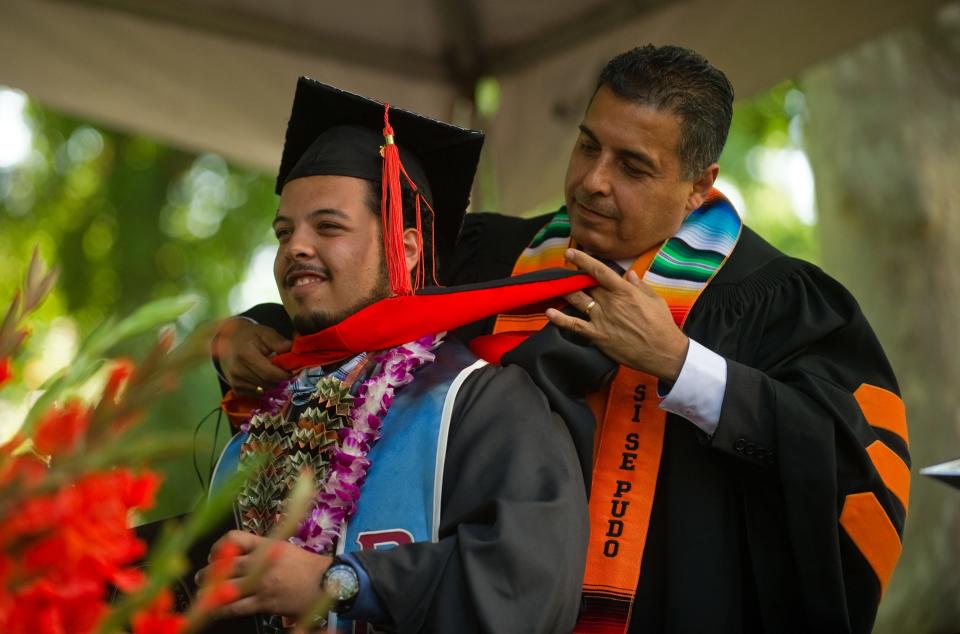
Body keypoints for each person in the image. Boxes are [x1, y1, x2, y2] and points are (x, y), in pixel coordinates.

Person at [216, 47, 909, 634]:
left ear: (699, 187)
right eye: (587, 145)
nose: (591, 182)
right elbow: (363, 298)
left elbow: (846, 458)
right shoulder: (491, 258)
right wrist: (260, 327)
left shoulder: (777, 303)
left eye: (633, 166)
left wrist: (681, 364)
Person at [198, 77, 589, 633]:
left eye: (327, 226)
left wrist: (338, 581)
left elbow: (528, 583)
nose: (296, 247)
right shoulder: (265, 413)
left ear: (403, 248)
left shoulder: (480, 402)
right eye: (284, 232)